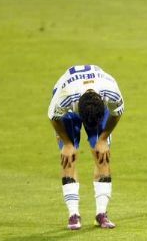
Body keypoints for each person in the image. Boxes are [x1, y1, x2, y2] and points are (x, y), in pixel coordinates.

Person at [48, 65, 124, 230]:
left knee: (102, 156)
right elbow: (53, 117)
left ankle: (101, 214)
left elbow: (117, 114)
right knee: (68, 158)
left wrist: (102, 139)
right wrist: (68, 144)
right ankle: (73, 214)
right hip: (69, 108)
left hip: (94, 101)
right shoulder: (65, 98)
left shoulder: (111, 93)